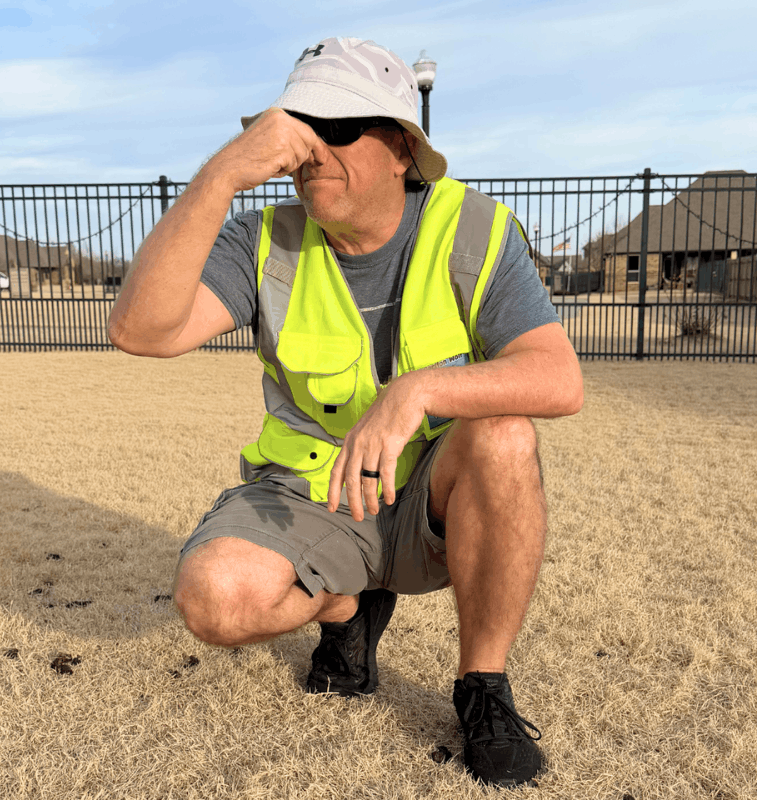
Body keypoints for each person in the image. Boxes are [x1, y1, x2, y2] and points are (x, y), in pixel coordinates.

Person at [108, 36, 583, 789]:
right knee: (213, 599)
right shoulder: (263, 241)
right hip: (312, 494)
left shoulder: (474, 230)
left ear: (401, 149)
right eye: (298, 126)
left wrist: (417, 391)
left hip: (431, 499)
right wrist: (224, 173)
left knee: (503, 433)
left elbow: (559, 379)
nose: (310, 150)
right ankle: (344, 608)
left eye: (337, 126)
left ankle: (482, 686)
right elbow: (142, 331)